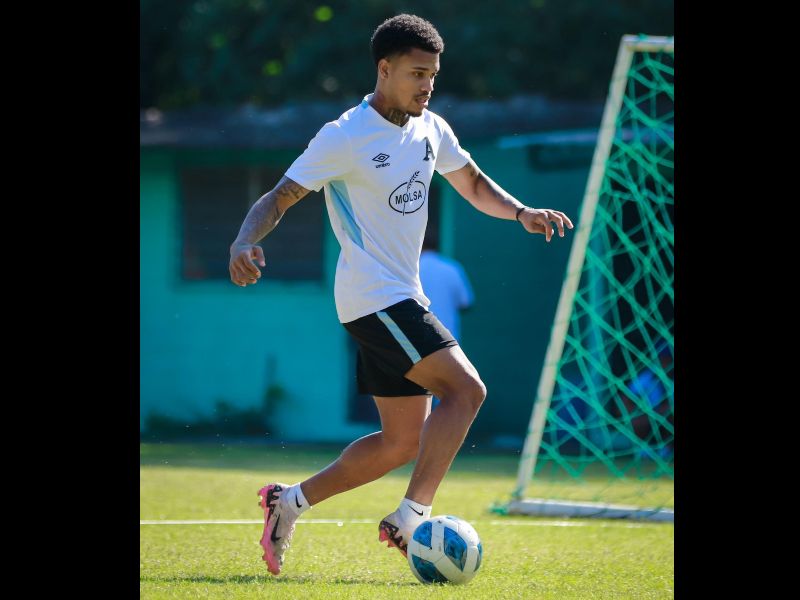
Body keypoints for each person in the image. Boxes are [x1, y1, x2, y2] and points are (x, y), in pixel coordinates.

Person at [228, 14, 574, 576]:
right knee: (466, 391)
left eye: (433, 74)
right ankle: (410, 518)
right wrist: (245, 240)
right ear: (384, 69)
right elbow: (280, 196)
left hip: (400, 296)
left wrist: (521, 213)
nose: (427, 85)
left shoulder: (431, 128)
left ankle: (287, 503)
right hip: (374, 297)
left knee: (401, 443)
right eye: (417, 73)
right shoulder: (344, 135)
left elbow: (472, 182)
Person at [419, 231, 474, 410]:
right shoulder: (452, 268)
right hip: (447, 339)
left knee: (416, 394)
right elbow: (466, 303)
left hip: (412, 338)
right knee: (447, 394)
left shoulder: (409, 270)